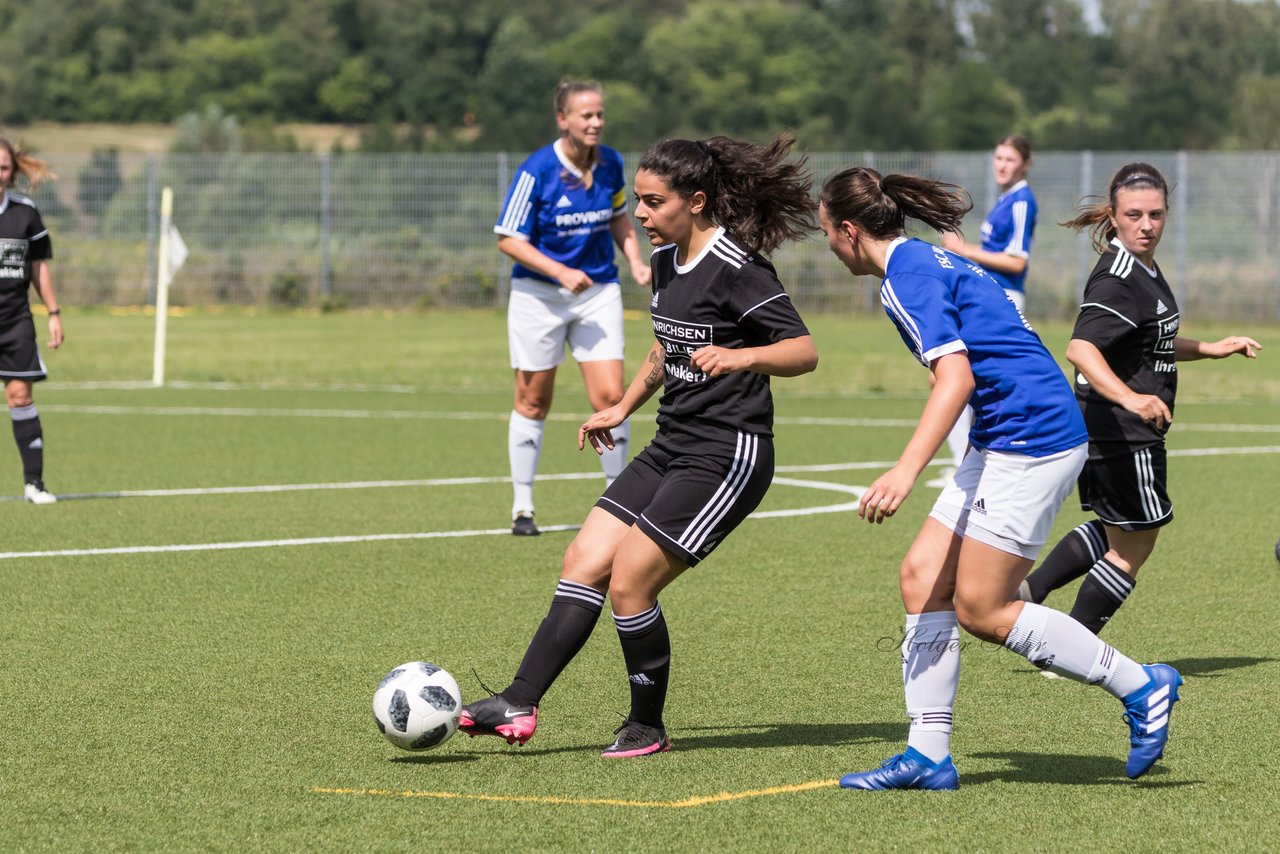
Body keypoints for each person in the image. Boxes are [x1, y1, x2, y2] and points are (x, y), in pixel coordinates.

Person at [817, 166, 1182, 789]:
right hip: (1008, 432)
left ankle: (1142, 685)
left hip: (1032, 438)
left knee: (984, 609)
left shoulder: (904, 280)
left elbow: (954, 377)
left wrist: (906, 471)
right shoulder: (925, 258)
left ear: (849, 231)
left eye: (825, 232)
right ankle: (929, 755)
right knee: (921, 579)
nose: (826, 244)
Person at [460, 134, 819, 757]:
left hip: (728, 454)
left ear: (696, 200)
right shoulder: (663, 262)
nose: (642, 215)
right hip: (672, 443)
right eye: (642, 203)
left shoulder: (739, 267)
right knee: (583, 560)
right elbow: (665, 344)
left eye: (654, 203)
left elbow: (803, 350)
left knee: (630, 584)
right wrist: (623, 406)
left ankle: (646, 725)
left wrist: (742, 356)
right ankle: (519, 700)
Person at [1019, 163, 1260, 636]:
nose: (1146, 225)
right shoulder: (1119, 276)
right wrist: (1132, 397)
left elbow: (1148, 340)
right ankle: (1071, 645)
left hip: (1109, 426)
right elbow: (1080, 348)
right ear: (1114, 215)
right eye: (1134, 215)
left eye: (1156, 214)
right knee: (1136, 544)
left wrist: (1210, 348)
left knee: (1119, 527)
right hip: (1123, 431)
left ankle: (1032, 590)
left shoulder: (1143, 266)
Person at [495, 81, 652, 537]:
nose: (596, 123)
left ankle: (619, 505)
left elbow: (620, 216)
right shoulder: (537, 170)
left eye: (600, 114)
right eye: (586, 115)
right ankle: (522, 508)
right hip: (538, 298)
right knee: (533, 399)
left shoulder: (611, 163)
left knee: (610, 397)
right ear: (563, 120)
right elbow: (508, 237)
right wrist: (560, 273)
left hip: (598, 292)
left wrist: (636, 262)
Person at [928, 135, 1038, 488]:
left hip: (1003, 303)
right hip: (988, 302)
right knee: (955, 377)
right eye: (998, 157)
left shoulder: (1022, 202)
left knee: (957, 378)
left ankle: (972, 465)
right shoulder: (1005, 200)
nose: (1002, 164)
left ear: (1025, 164)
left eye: (1010, 159)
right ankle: (969, 461)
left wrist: (966, 250)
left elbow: (1016, 262)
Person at [0, 137, 62, 505]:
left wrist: (54, 313)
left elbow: (39, 268)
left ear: (12, 171)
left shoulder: (25, 212)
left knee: (20, 394)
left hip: (15, 320)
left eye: (4, 167)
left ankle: (34, 483)